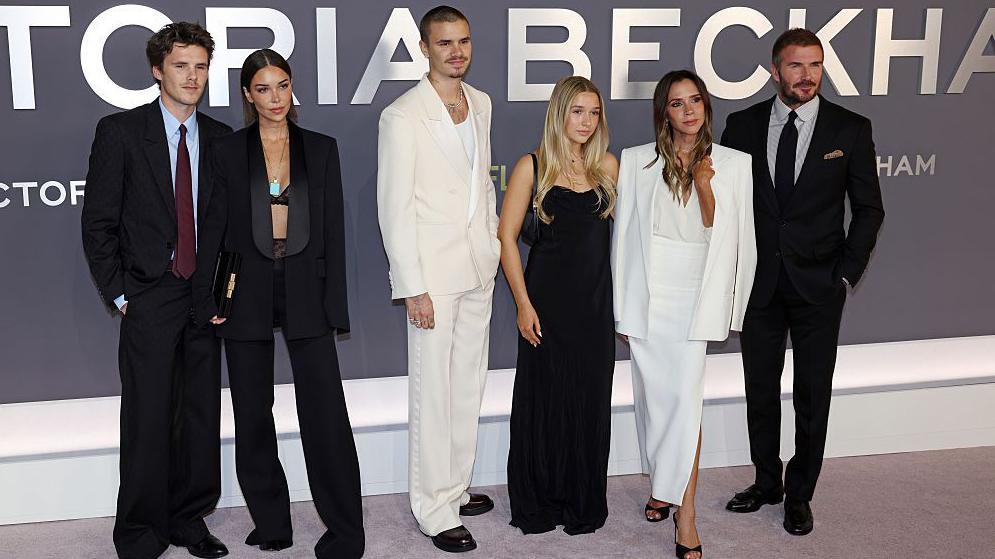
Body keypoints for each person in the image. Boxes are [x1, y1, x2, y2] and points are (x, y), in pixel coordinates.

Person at [192, 49, 364, 558]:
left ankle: (345, 531)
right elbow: (213, 229)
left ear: (292, 88)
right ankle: (271, 523)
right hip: (245, 288)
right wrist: (209, 296)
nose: (275, 98)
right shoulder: (227, 150)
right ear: (248, 95)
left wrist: (335, 305)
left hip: (307, 284)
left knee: (325, 411)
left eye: (282, 86)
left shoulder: (322, 148)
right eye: (263, 89)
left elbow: (332, 230)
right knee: (252, 411)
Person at [720, 29, 884, 536]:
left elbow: (869, 209)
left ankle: (800, 493)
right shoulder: (742, 125)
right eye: (796, 65)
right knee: (759, 388)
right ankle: (767, 481)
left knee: (813, 393)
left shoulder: (850, 128)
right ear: (775, 71)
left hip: (819, 286)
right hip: (759, 284)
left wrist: (845, 274)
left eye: (815, 65)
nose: (807, 75)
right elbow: (728, 207)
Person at [81, 22, 231, 559]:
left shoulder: (220, 137)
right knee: (147, 417)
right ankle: (141, 532)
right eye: (180, 66)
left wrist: (222, 295)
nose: (192, 77)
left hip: (203, 299)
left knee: (199, 416)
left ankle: (189, 520)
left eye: (200, 66)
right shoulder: (120, 132)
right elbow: (98, 223)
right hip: (148, 294)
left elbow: (228, 228)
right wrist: (122, 295)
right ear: (157, 71)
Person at [612, 70, 757, 559]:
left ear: (706, 107)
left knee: (685, 403)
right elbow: (623, 239)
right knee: (654, 401)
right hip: (650, 295)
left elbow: (736, 239)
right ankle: (663, 487)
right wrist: (623, 309)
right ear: (664, 113)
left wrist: (703, 185)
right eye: (677, 103)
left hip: (696, 295)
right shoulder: (637, 161)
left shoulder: (733, 164)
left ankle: (687, 515)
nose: (689, 110)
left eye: (695, 100)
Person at [375, 5, 501, 554]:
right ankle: (433, 509)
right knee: (433, 393)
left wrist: (493, 245)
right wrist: (412, 286)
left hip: (477, 267)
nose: (456, 52)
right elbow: (394, 207)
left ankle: (455, 487)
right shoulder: (402, 115)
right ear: (424, 48)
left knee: (467, 386)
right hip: (432, 278)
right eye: (445, 43)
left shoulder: (482, 103)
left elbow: (482, 186)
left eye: (463, 41)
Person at [498, 76, 618, 535]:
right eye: (577, 111)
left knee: (589, 402)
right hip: (545, 303)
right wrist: (522, 304)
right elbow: (506, 238)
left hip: (593, 306)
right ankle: (540, 502)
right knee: (544, 402)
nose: (586, 122)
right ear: (559, 114)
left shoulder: (608, 167)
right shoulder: (532, 166)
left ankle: (581, 501)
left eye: (594, 113)